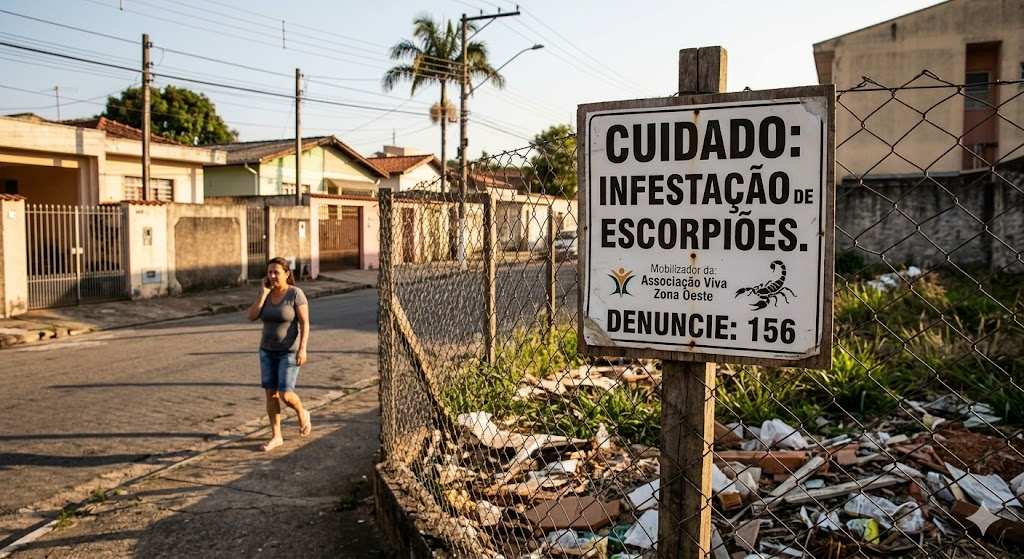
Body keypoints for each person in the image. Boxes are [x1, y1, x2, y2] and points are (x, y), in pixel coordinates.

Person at [247, 257, 311, 451]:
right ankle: (276, 436)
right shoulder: (266, 293)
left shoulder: (295, 294)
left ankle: (302, 412)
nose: (272, 276)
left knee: (285, 393)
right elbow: (251, 316)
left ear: (286, 274)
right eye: (270, 272)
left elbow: (304, 323)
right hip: (267, 350)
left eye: (276, 272)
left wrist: (303, 348)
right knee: (270, 393)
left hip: (289, 352)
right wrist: (264, 292)